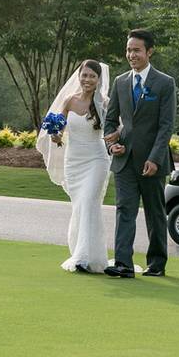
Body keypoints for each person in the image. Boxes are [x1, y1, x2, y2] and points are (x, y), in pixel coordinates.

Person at [103, 29, 176, 278]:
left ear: (149, 51)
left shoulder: (165, 83)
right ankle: (123, 264)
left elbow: (166, 126)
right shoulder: (120, 82)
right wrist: (112, 145)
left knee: (155, 213)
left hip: (152, 162)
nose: (131, 55)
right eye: (128, 50)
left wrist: (155, 158)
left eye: (136, 50)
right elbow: (110, 121)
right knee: (125, 210)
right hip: (124, 160)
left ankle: (156, 264)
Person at [36, 59, 111, 273]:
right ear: (79, 77)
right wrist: (55, 136)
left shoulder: (104, 103)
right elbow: (58, 132)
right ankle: (90, 254)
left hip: (96, 160)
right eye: (84, 75)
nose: (87, 80)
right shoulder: (69, 101)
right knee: (80, 206)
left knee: (88, 202)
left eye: (92, 76)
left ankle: (83, 257)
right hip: (74, 161)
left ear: (98, 80)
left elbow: (116, 129)